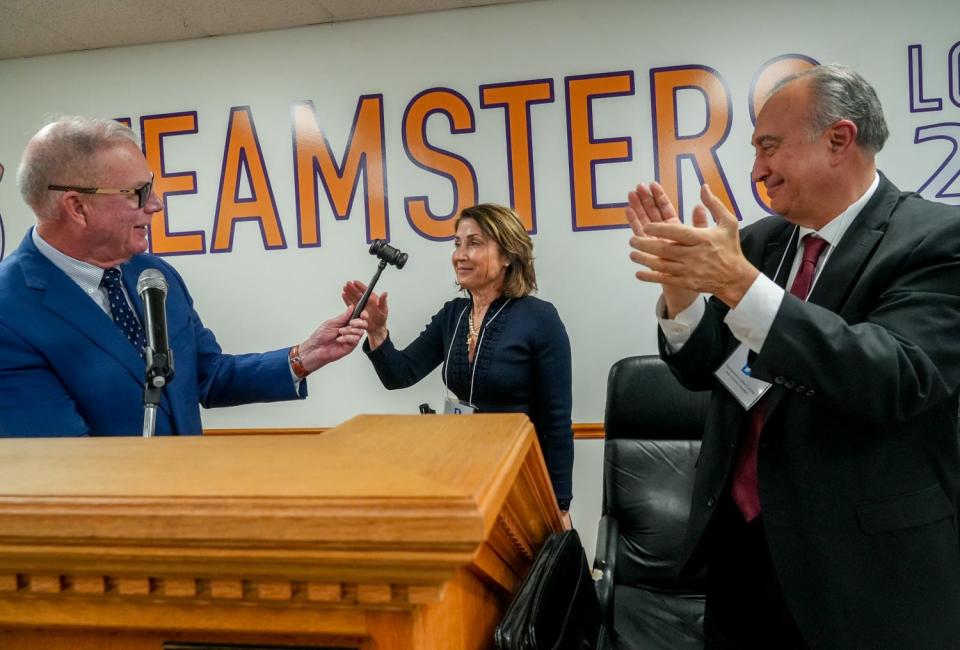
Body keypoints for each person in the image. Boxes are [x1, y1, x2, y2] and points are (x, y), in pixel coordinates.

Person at [627, 63, 960, 647]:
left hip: (863, 572)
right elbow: (707, 370)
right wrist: (680, 293)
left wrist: (737, 285)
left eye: (769, 147)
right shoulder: (760, 243)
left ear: (839, 139)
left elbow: (896, 376)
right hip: (742, 556)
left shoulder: (937, 238)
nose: (757, 171)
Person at [0, 116, 367, 437]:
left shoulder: (153, 275)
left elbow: (207, 375)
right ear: (77, 207)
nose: (156, 204)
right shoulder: (8, 308)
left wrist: (303, 356)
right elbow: (60, 464)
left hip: (187, 503)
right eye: (138, 193)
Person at [342, 204, 574, 513]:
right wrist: (378, 331)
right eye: (457, 243)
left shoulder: (540, 318)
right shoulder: (453, 314)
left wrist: (559, 506)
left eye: (474, 243)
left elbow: (556, 423)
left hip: (521, 482)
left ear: (508, 255)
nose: (459, 254)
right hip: (465, 476)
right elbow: (401, 375)